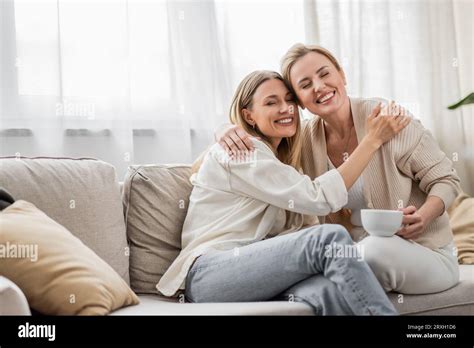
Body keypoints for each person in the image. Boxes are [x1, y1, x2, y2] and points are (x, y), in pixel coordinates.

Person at [157, 70, 409, 315]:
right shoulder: (243, 151)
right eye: (271, 102)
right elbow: (318, 198)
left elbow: (302, 230)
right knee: (329, 239)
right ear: (249, 116)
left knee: (329, 291)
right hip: (210, 273)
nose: (286, 108)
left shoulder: (282, 166)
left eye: (290, 100)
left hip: (250, 271)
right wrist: (372, 140)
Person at [216, 44, 461, 295]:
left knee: (371, 251)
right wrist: (228, 129)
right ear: (299, 101)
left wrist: (424, 217)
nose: (319, 87)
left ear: (341, 75)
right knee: (334, 260)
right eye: (305, 84)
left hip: (424, 252)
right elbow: (257, 159)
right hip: (352, 252)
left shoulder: (387, 118)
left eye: (324, 74)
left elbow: (446, 179)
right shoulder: (305, 140)